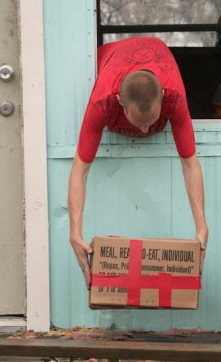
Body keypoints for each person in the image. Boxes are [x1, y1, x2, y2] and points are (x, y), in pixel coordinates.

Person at [68, 36, 208, 287]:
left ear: (162, 97)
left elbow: (189, 162)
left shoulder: (174, 95)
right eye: (138, 123)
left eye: (152, 122)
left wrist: (201, 227)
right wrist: (75, 233)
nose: (145, 132)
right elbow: (80, 171)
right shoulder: (103, 99)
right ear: (119, 102)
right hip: (109, 58)